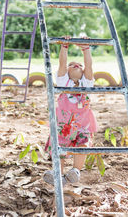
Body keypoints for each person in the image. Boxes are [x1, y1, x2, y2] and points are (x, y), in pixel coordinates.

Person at [43, 35, 98, 185]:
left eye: (79, 65)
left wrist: (86, 49)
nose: (76, 65)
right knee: (58, 147)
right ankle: (58, 174)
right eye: (72, 64)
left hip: (82, 125)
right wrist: (64, 46)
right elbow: (62, 63)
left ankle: (75, 172)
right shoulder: (63, 81)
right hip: (63, 126)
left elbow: (89, 65)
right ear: (66, 71)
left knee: (83, 144)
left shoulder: (86, 82)